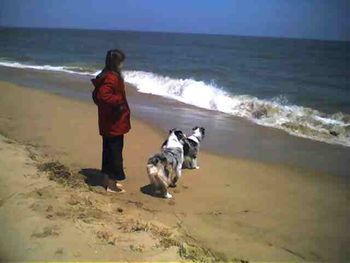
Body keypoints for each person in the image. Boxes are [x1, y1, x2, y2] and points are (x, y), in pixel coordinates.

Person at [91, 49, 131, 193]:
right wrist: (119, 102)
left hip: (110, 122)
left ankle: (107, 180)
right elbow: (103, 96)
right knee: (114, 153)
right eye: (121, 63)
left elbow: (98, 96)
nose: (122, 65)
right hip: (114, 122)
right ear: (115, 63)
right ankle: (112, 185)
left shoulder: (107, 75)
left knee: (109, 151)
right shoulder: (111, 78)